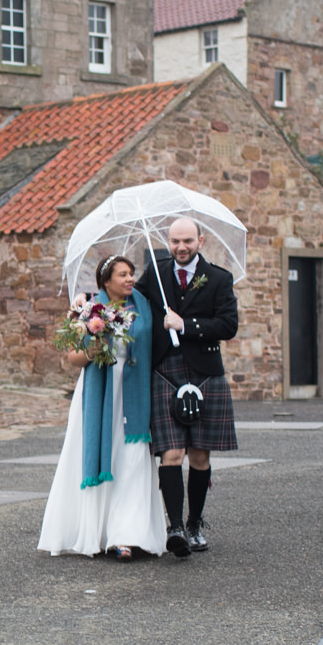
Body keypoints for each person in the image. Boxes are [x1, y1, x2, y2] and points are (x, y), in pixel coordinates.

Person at [38, 254, 167, 560]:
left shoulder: (144, 307)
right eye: (122, 275)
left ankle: (128, 535)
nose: (130, 279)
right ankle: (99, 531)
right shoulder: (89, 309)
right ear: (106, 281)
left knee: (133, 459)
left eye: (131, 273)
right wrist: (93, 346)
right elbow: (74, 358)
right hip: (100, 396)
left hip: (134, 394)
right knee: (104, 455)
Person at [134, 216, 239, 556]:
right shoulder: (156, 272)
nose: (181, 247)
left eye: (188, 241)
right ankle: (174, 526)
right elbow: (126, 298)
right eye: (175, 241)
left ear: (200, 241)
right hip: (164, 370)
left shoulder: (220, 278)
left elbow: (228, 325)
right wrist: (89, 300)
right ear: (168, 240)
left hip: (205, 371)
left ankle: (194, 525)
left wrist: (187, 324)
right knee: (172, 453)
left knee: (199, 454)